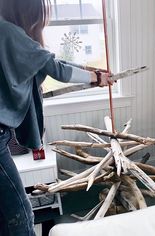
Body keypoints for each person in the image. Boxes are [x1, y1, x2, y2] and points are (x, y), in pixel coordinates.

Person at [0, 0, 113, 235]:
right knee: (21, 216)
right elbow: (55, 68)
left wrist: (93, 73)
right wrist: (95, 78)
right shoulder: (8, 32)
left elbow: (52, 62)